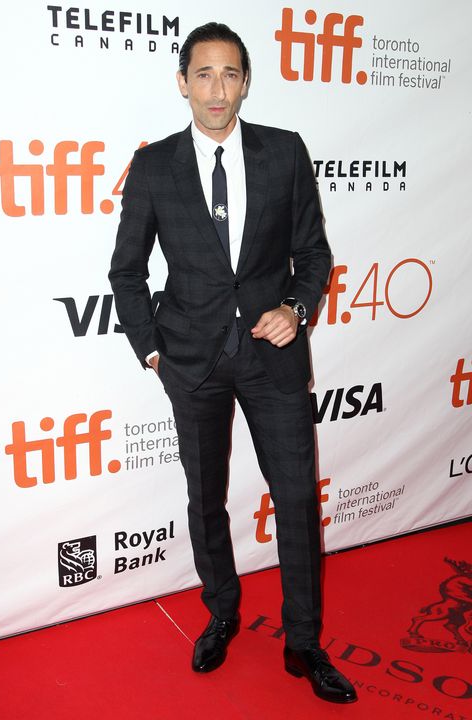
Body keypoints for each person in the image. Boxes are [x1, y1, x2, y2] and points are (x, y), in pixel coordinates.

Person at [109, 22, 357, 705]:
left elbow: (314, 254)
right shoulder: (154, 166)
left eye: (230, 74)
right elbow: (127, 272)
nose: (217, 89)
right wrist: (152, 350)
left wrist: (296, 308)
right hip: (190, 361)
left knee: (297, 497)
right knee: (205, 496)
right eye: (204, 74)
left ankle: (303, 642)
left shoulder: (284, 152)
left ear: (246, 82)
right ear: (183, 83)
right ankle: (221, 611)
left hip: (273, 359)